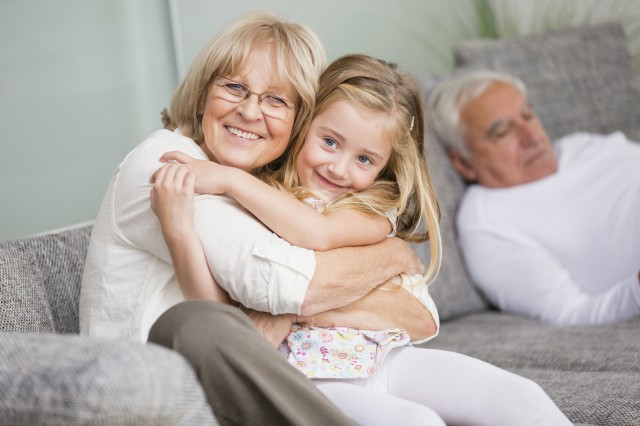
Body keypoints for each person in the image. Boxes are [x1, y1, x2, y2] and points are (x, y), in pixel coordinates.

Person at [152, 54, 572, 426]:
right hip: (307, 375)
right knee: (417, 422)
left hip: (383, 358)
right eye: (329, 141)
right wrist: (180, 230)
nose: (338, 168)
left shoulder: (372, 209)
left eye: (365, 159)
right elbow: (218, 317)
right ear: (303, 125)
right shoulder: (255, 200)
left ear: (385, 167)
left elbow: (316, 233)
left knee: (520, 397)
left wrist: (228, 179)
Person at [80, 11, 433, 426]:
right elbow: (286, 289)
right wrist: (391, 253)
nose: (250, 112)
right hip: (161, 396)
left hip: (229, 381)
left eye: (276, 100)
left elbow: (422, 316)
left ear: (300, 120)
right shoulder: (169, 166)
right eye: (234, 87)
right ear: (200, 95)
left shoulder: (263, 190)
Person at [428, 69, 640, 326]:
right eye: (503, 132)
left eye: (528, 115)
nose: (532, 136)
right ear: (463, 163)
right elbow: (571, 313)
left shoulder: (584, 145)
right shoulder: (487, 223)